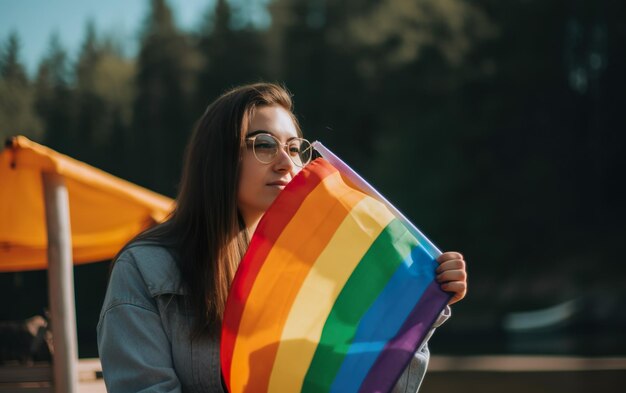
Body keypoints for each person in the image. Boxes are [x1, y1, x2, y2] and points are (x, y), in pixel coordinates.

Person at [97, 82, 468, 393]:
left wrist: (423, 300)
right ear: (218, 158)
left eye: (294, 148)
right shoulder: (145, 269)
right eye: (263, 144)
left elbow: (363, 381)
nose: (287, 163)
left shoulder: (317, 266)